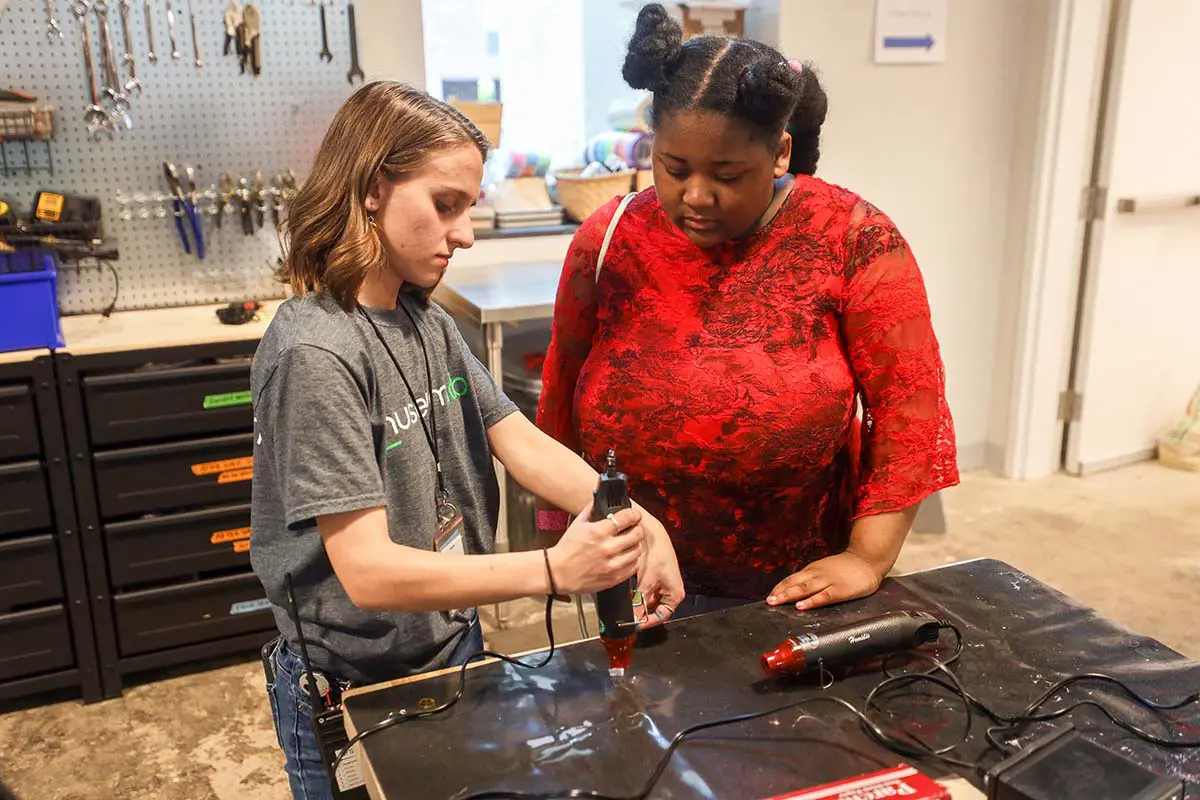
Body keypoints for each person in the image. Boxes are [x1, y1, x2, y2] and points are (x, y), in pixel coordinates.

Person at [249, 81, 684, 800]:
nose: (464, 233)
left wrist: (639, 526)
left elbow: (521, 443)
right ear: (370, 190)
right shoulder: (316, 353)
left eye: (468, 208)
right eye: (444, 205)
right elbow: (369, 572)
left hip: (451, 649)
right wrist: (552, 570)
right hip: (353, 685)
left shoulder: (425, 319)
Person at [536, 5, 959, 620]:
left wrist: (867, 557)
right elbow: (559, 392)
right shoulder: (610, 237)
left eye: (727, 174)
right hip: (631, 570)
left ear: (781, 153)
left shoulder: (852, 237)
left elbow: (909, 407)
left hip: (793, 583)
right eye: (673, 169)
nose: (696, 196)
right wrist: (557, 528)